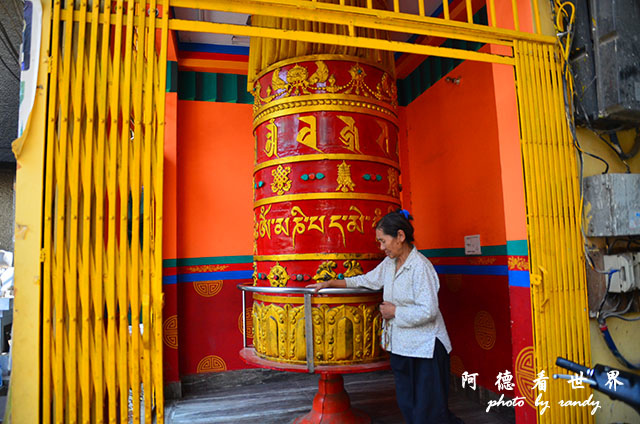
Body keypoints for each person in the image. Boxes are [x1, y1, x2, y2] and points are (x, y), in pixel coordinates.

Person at [308, 209, 461, 424]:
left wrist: (395, 311)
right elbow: (366, 280)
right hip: (401, 347)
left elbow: (428, 310)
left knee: (429, 412)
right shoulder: (390, 264)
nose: (381, 247)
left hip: (426, 350)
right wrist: (331, 283)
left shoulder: (420, 267)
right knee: (408, 405)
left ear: (400, 236)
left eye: (383, 241)